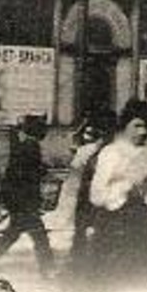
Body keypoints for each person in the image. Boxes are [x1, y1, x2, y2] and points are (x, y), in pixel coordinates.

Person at [87, 99, 147, 287]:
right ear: (124, 125)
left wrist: (144, 183)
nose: (142, 132)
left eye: (146, 127)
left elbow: (141, 192)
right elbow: (96, 196)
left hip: (140, 220)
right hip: (113, 222)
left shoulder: (139, 155)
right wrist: (126, 183)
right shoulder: (111, 153)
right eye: (136, 125)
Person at [0, 115, 56, 277]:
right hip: (24, 200)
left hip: (16, 198)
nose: (45, 132)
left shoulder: (23, 144)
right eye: (42, 128)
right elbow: (28, 174)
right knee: (38, 236)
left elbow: (21, 169)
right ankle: (47, 269)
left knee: (13, 234)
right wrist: (42, 171)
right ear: (36, 130)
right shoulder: (31, 146)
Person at [58, 116, 109, 277]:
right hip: (97, 191)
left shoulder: (85, 150)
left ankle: (79, 259)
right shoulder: (104, 149)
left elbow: (74, 166)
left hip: (85, 191)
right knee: (95, 225)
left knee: (81, 226)